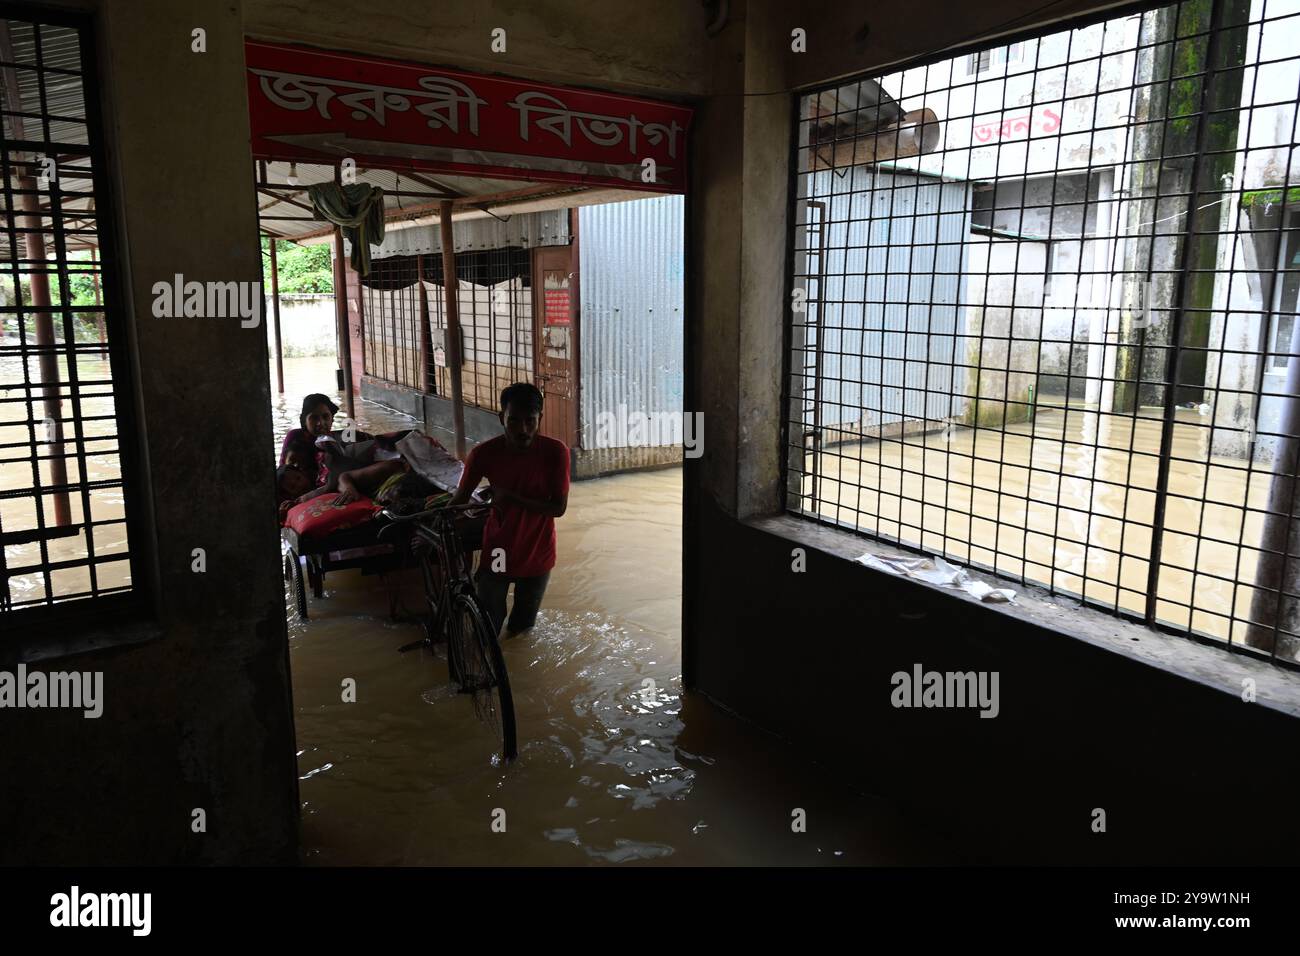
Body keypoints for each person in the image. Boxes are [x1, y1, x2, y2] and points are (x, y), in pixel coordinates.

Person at [449, 382, 569, 639]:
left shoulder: (555, 452)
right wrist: (435, 528)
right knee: (487, 628)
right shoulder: (483, 454)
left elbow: (558, 508)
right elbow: (460, 499)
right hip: (499, 550)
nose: (522, 430)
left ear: (540, 419)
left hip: (538, 552)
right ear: (501, 417)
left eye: (530, 421)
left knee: (522, 628)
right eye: (514, 421)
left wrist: (508, 497)